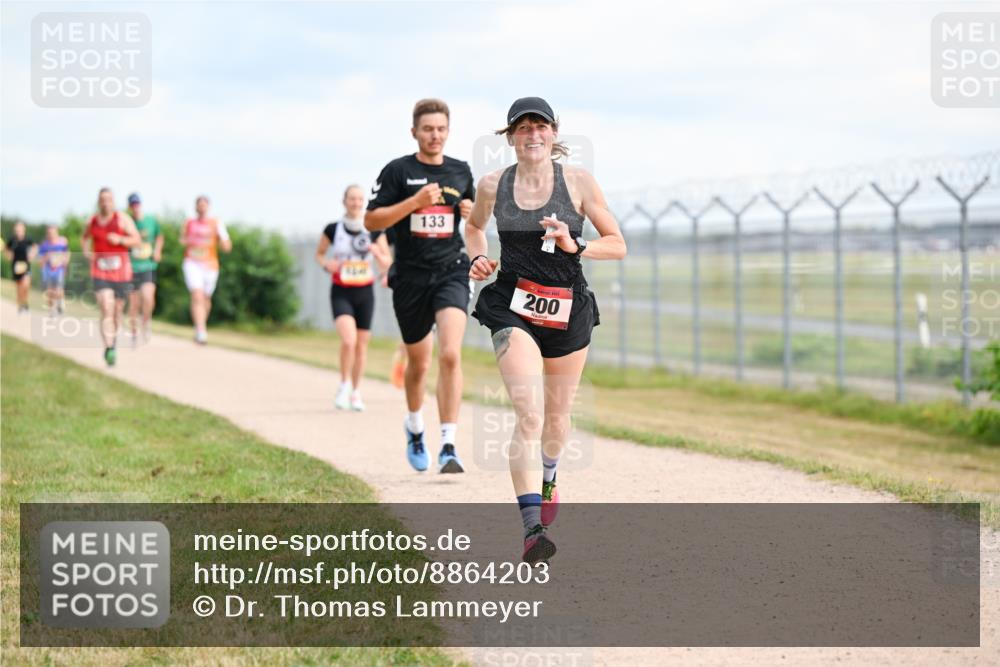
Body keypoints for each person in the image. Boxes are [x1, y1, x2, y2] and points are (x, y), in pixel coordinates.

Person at [466, 97, 626, 563]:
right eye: (523, 127)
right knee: (529, 415)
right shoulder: (493, 185)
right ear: (510, 137)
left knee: (556, 419)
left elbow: (617, 244)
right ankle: (532, 529)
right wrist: (478, 256)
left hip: (567, 308)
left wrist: (576, 245)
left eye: (540, 126)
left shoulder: (578, 182)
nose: (532, 134)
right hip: (512, 305)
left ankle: (550, 475)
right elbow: (473, 227)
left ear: (554, 133)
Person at [365, 98, 475, 474]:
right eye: (428, 129)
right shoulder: (398, 171)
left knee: (450, 354)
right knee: (419, 362)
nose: (435, 135)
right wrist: (413, 202)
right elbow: (371, 220)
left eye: (441, 129)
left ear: (449, 131)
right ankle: (414, 427)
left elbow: (474, 219)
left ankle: (449, 444)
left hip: (451, 270)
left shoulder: (460, 171)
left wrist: (472, 214)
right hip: (410, 277)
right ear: (414, 132)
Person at [316, 184, 392, 411]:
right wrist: (326, 264)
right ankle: (343, 386)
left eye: (360, 199)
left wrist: (377, 253)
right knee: (348, 341)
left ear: (364, 202)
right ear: (344, 201)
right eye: (352, 199)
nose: (356, 203)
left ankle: (356, 392)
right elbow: (319, 254)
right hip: (341, 291)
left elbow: (387, 262)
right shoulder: (333, 229)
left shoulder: (374, 230)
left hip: (365, 292)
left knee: (361, 345)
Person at [82, 188, 142, 366]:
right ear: (98, 202)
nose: (105, 202)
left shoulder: (123, 219)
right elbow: (84, 238)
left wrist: (120, 240)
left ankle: (113, 343)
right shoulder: (92, 221)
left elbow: (137, 240)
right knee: (106, 306)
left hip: (121, 272)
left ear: (113, 202)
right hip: (100, 271)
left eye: (108, 199)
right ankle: (108, 347)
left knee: (117, 311)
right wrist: (86, 252)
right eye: (102, 199)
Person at [181, 195, 232, 345]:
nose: (202, 208)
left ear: (208, 207)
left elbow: (227, 244)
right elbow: (182, 239)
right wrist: (189, 240)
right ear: (196, 207)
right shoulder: (189, 222)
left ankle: (200, 325)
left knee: (206, 298)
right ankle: (201, 330)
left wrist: (224, 244)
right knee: (197, 295)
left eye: (204, 205)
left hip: (210, 265)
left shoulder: (216, 223)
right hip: (192, 263)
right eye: (199, 205)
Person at [125, 193, 163, 344]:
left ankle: (146, 322)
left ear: (141, 204)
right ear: (129, 207)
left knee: (148, 298)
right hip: (131, 267)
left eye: (137, 204)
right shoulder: (127, 222)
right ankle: (133, 331)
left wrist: (158, 250)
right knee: (134, 302)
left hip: (148, 265)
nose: (135, 207)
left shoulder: (151, 220)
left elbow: (159, 236)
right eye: (133, 204)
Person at [37, 225, 70, 316]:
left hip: (59, 270)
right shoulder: (44, 245)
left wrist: (65, 264)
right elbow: (40, 261)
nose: (51, 235)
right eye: (49, 233)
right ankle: (52, 309)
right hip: (48, 271)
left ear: (57, 233)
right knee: (49, 290)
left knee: (59, 290)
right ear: (47, 234)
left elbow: (67, 254)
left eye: (53, 233)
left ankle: (60, 302)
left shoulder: (62, 243)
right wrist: (47, 257)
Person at [4, 221, 36, 313]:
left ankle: (24, 302)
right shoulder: (12, 240)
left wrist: (32, 254)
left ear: (23, 229)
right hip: (16, 266)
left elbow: (35, 247)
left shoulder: (28, 239)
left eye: (19, 229)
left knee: (26, 285)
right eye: (16, 230)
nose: (18, 231)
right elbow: (6, 248)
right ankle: (20, 305)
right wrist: (8, 255)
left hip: (26, 265)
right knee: (19, 287)